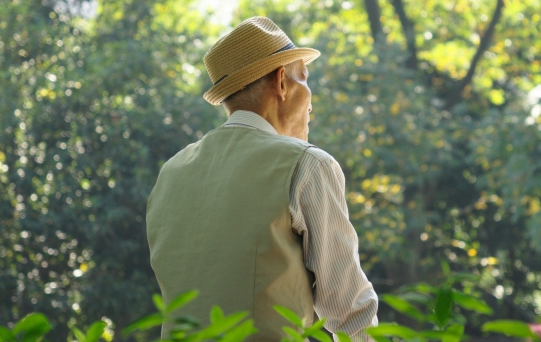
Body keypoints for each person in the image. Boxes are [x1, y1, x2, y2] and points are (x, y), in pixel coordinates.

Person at [146, 17, 378, 342]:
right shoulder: (307, 164)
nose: (312, 101)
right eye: (304, 78)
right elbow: (349, 310)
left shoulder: (170, 172)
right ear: (282, 82)